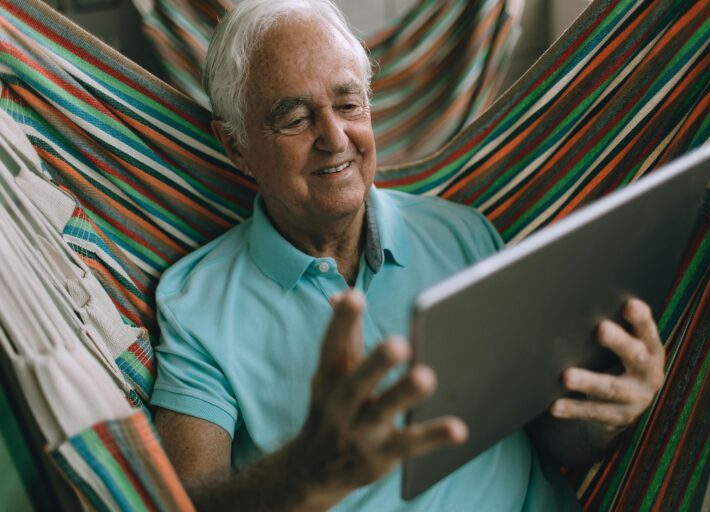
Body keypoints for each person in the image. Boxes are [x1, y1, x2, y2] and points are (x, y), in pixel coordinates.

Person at [150, 1, 666, 510]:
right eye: (294, 118)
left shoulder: (462, 235)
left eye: (349, 104)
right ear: (236, 146)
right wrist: (302, 474)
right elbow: (184, 503)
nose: (335, 139)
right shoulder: (195, 304)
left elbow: (547, 441)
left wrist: (607, 418)